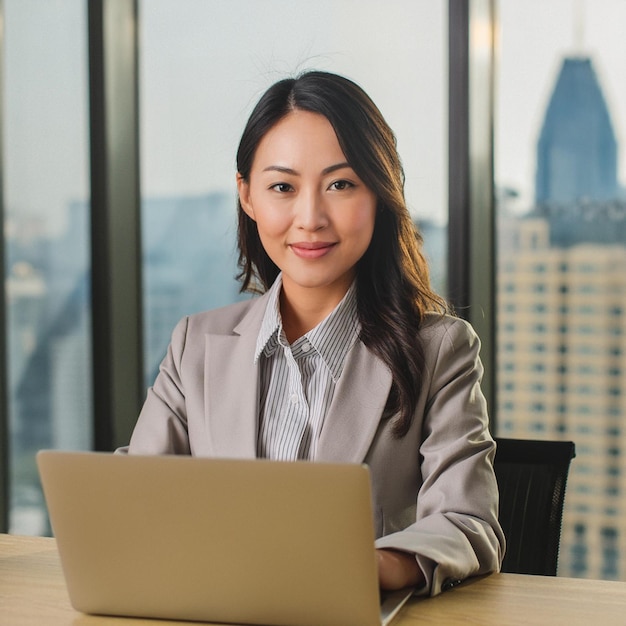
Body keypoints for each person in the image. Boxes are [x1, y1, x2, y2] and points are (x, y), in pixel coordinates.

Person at [119, 70, 505, 595]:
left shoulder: (439, 350)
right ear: (247, 196)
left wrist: (362, 568)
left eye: (341, 185)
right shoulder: (194, 348)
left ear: (380, 193)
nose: (311, 217)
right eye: (282, 187)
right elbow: (132, 500)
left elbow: (468, 523)